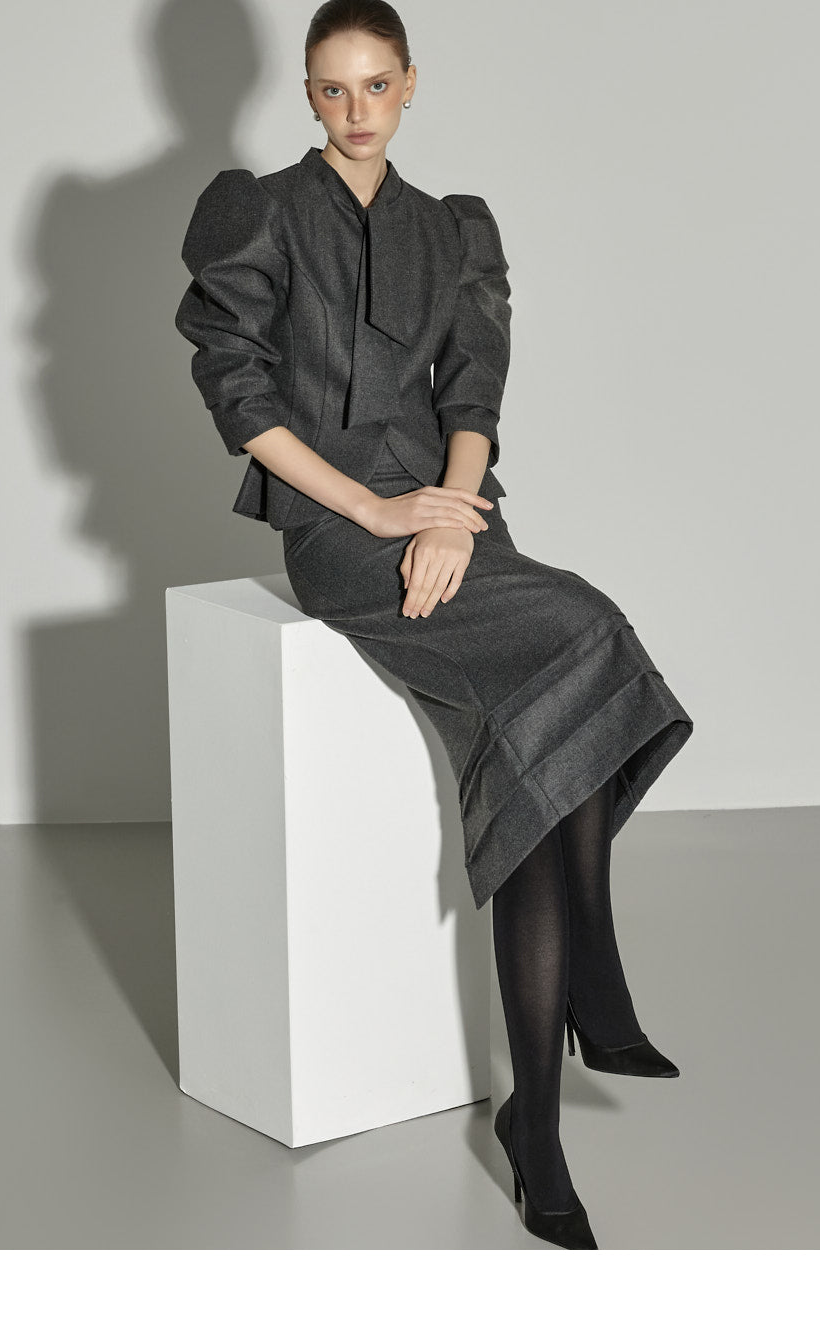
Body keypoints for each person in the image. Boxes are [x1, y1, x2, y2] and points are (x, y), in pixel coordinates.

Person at [174, 0, 693, 1250]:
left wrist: (453, 515)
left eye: (376, 85)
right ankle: (570, 1049)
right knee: (581, 641)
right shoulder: (256, 210)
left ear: (412, 84)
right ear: (308, 93)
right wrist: (379, 510)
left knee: (570, 663)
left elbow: (475, 388)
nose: (354, 111)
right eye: (330, 88)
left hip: (451, 516)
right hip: (341, 530)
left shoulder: (454, 227)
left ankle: (541, 1100)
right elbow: (235, 390)